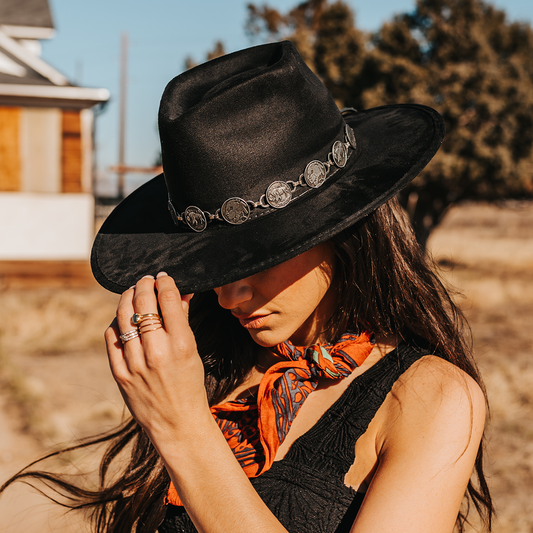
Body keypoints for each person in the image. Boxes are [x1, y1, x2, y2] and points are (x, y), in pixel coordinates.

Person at [1, 41, 492, 533]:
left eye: (259, 259)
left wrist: (184, 429)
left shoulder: (430, 400)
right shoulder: (214, 361)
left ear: (338, 230)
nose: (229, 297)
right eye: (213, 266)